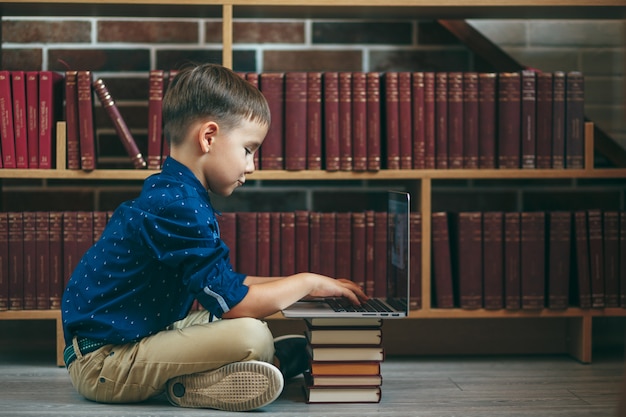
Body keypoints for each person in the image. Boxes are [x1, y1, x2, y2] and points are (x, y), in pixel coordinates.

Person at [61, 63, 368, 412]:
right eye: (249, 149)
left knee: (247, 324)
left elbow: (226, 285)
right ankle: (195, 385)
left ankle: (259, 365)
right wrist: (307, 282)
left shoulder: (177, 192)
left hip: (133, 338)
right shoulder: (179, 205)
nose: (251, 166)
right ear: (208, 137)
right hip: (104, 363)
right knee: (251, 333)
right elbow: (234, 302)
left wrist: (312, 284)